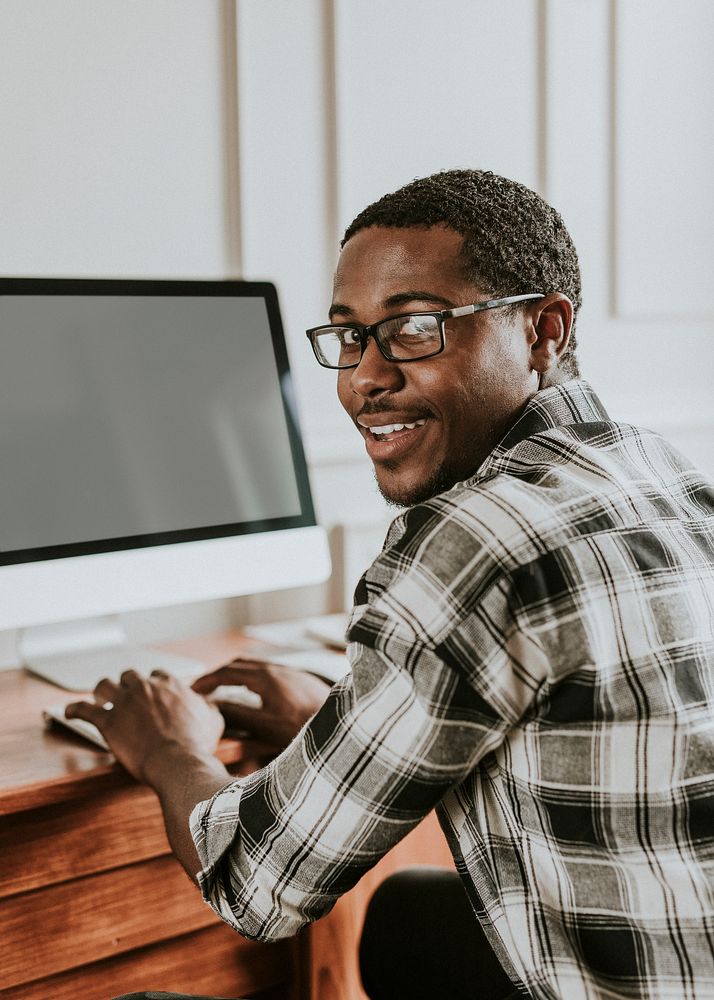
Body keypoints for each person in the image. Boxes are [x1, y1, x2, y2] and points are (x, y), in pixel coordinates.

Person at [68, 169, 714, 1000]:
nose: (364, 378)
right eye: (348, 336)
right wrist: (336, 719)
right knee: (409, 919)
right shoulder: (661, 474)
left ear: (543, 330)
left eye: (413, 329)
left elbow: (255, 884)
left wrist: (169, 748)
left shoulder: (471, 542)